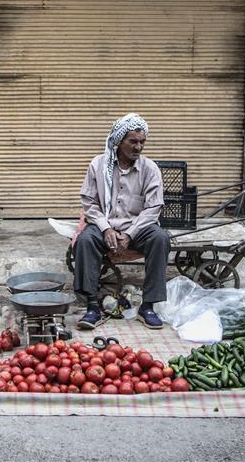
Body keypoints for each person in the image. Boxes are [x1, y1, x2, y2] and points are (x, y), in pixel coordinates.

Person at [73, 113, 170, 330]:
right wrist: (106, 228)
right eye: (133, 141)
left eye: (142, 142)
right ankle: (92, 306)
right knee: (85, 240)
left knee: (160, 239)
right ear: (118, 141)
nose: (138, 147)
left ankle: (148, 307)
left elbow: (153, 208)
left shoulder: (150, 169)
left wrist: (129, 234)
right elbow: (89, 202)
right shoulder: (98, 165)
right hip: (104, 226)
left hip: (137, 229)